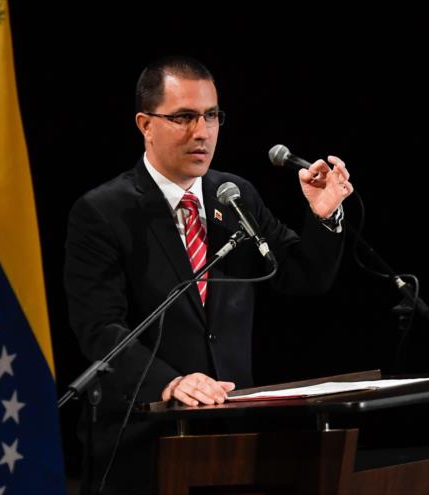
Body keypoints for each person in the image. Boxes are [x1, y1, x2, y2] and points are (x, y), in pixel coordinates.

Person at [64, 55, 354, 494]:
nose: (201, 132)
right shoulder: (103, 212)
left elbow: (301, 278)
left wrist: (324, 217)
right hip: (144, 440)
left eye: (211, 116)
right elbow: (100, 329)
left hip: (235, 435)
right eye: (183, 117)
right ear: (145, 124)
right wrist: (171, 382)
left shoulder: (233, 195)